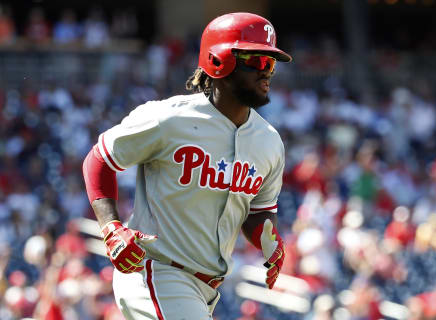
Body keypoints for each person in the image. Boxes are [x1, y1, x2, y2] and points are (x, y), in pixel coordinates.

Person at [82, 12, 292, 319]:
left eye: (271, 64)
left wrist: (270, 240)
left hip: (207, 289)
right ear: (219, 60)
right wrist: (111, 227)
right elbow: (100, 158)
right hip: (156, 271)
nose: (267, 73)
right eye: (258, 61)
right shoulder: (168, 119)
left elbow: (258, 212)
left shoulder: (269, 142)